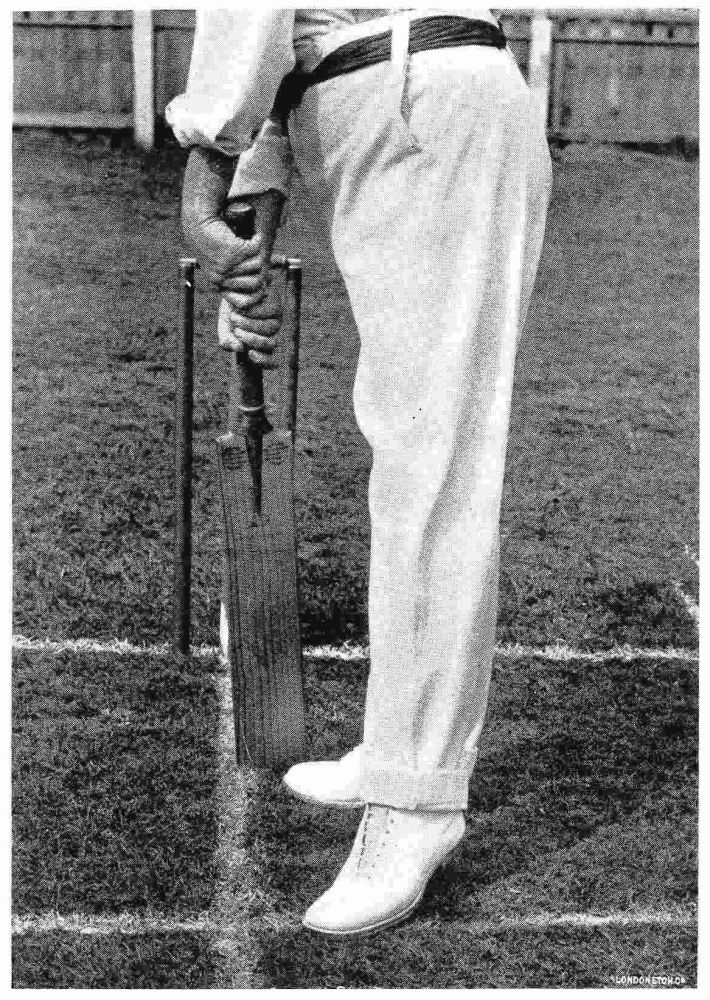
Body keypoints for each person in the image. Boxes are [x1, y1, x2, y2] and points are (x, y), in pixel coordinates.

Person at [167, 7, 552, 937]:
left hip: (419, 107)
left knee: (434, 466)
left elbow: (251, 28)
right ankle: (393, 747)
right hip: (388, 104)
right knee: (414, 449)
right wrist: (246, 245)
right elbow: (291, 64)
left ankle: (417, 804)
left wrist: (202, 191)